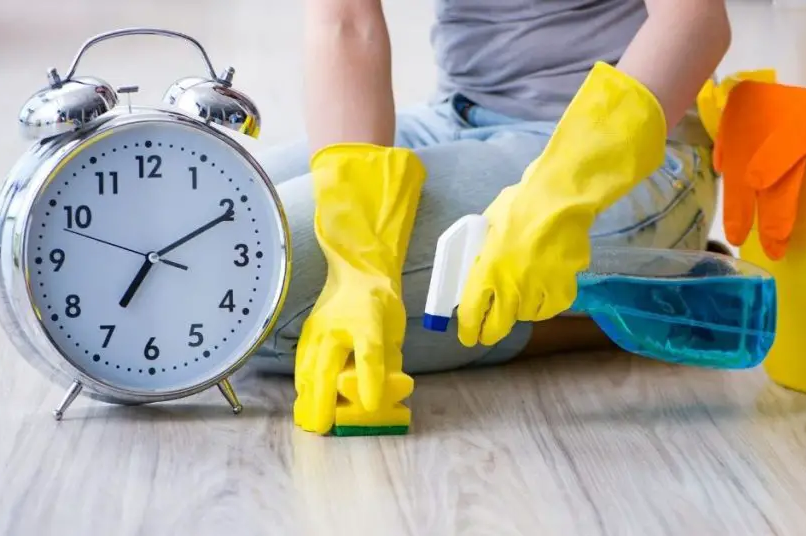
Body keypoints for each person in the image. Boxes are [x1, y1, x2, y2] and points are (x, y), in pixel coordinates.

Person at [243, 0, 733, 434]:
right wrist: (355, 262)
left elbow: (695, 22)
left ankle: (623, 297)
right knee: (223, 246)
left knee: (265, 309)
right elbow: (346, 21)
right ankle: (595, 306)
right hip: (453, 118)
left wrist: (556, 194)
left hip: (630, 157)